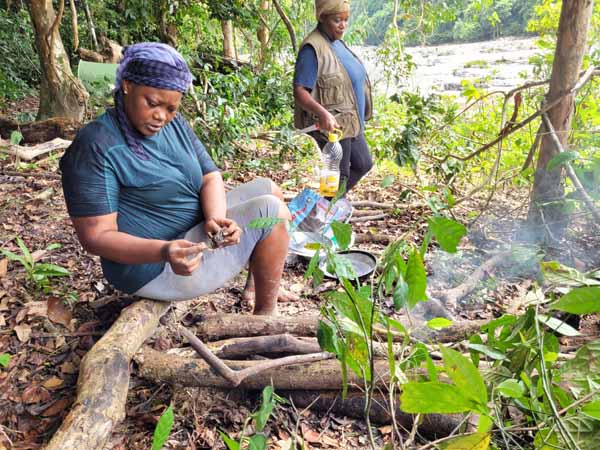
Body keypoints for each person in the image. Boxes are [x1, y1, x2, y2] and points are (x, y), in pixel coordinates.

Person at [60, 43, 290, 315]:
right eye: (153, 103)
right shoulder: (97, 145)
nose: (161, 117)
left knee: (270, 189)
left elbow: (210, 177)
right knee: (271, 213)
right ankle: (266, 315)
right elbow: (95, 237)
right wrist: (164, 251)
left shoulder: (174, 124)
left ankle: (258, 283)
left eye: (171, 108)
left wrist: (215, 219)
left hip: (193, 234)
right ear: (127, 85)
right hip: (153, 266)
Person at [293, 0, 374, 195]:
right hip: (332, 125)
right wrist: (322, 113)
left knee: (363, 164)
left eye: (346, 20)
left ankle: (327, 206)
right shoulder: (312, 48)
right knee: (338, 176)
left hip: (350, 121)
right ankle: (325, 217)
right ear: (322, 18)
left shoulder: (337, 43)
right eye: (337, 20)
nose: (343, 25)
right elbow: (299, 90)